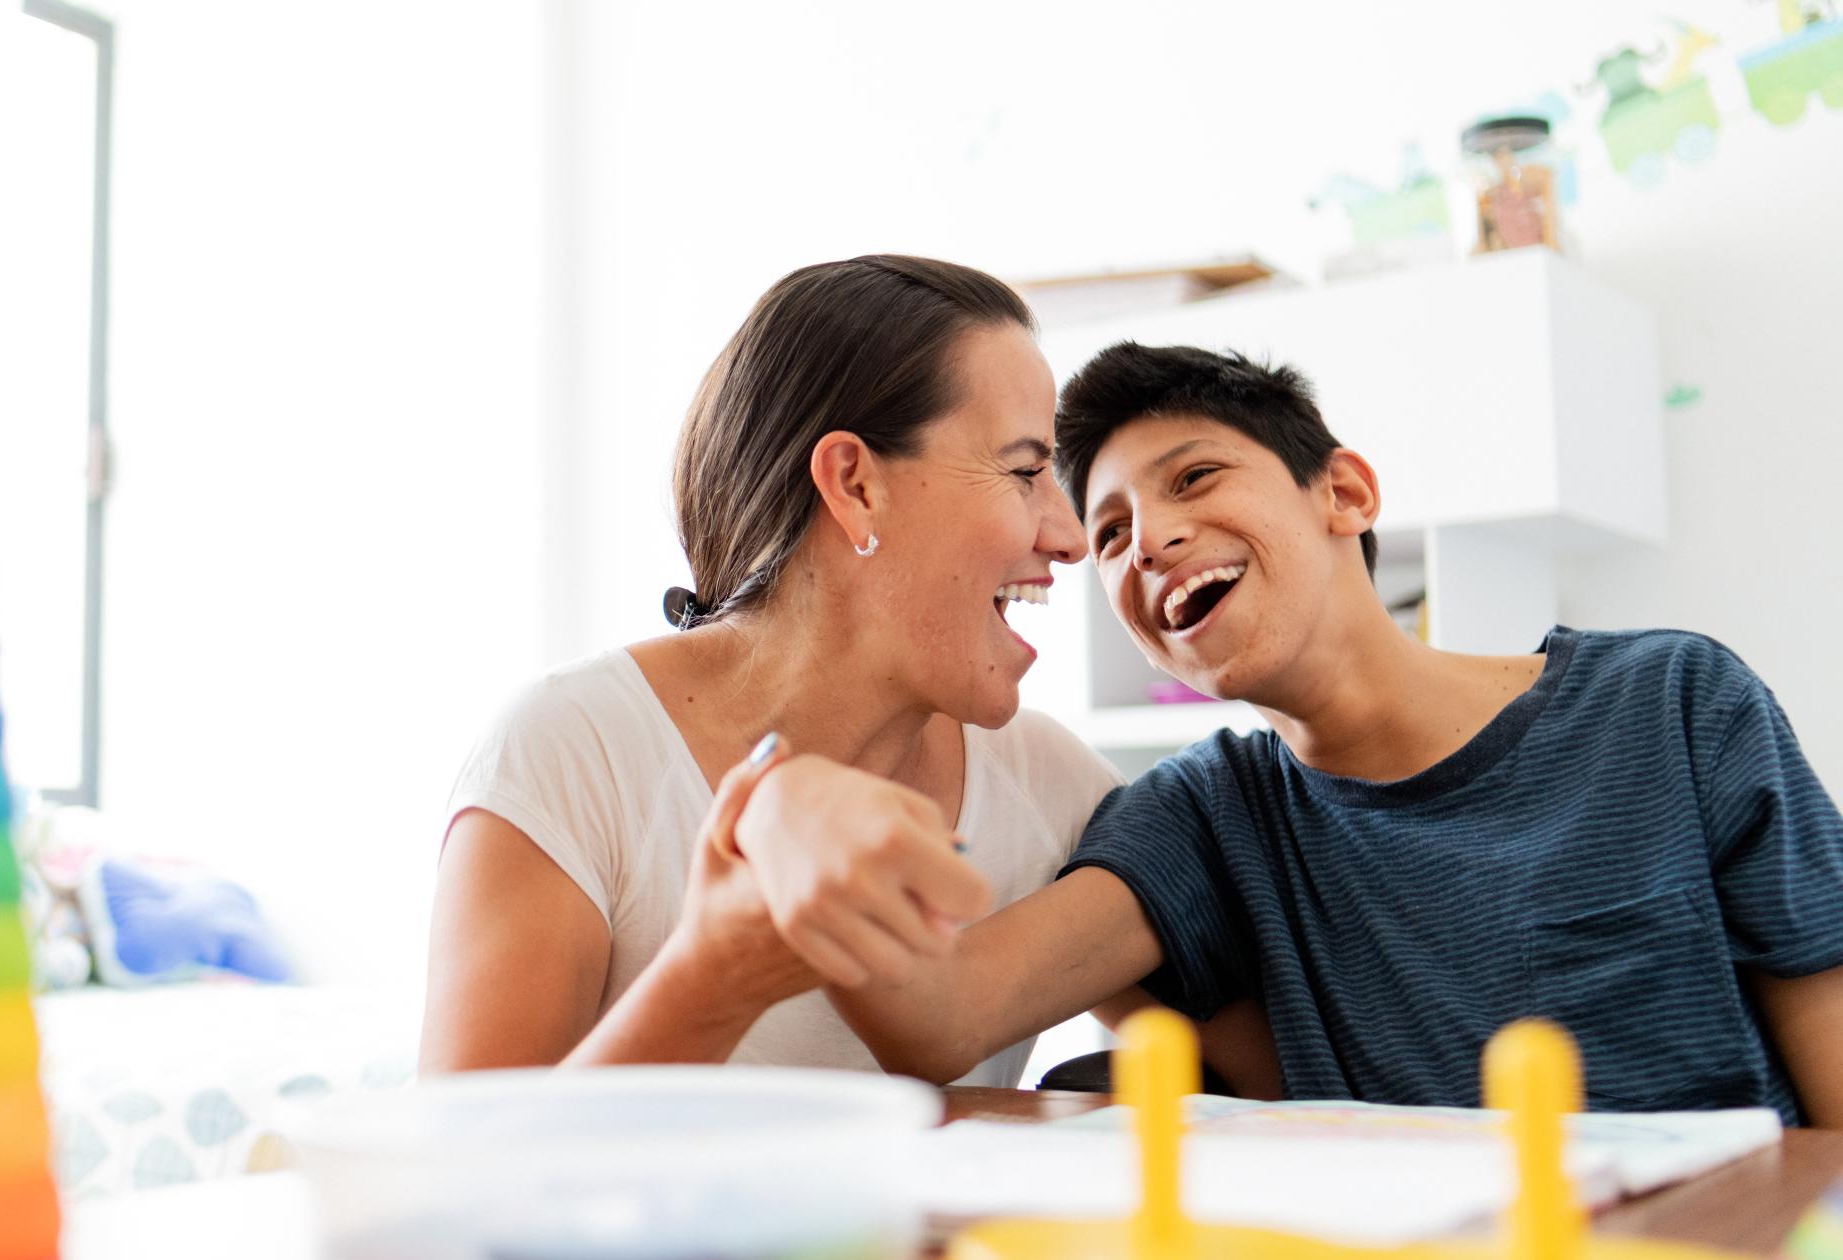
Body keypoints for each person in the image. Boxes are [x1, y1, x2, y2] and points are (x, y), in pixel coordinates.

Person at [725, 343, 1843, 1127]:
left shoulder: (1671, 703)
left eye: (1195, 478)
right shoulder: (1203, 815)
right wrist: (773, 810)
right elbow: (944, 1013)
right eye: (1107, 536)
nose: (1147, 541)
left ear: (1344, 492)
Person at [419, 257, 1275, 1087]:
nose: (1070, 535)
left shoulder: (1051, 787)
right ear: (856, 485)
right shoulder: (571, 752)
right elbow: (449, 1189)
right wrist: (716, 975)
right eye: (1023, 471)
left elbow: (1261, 1072)